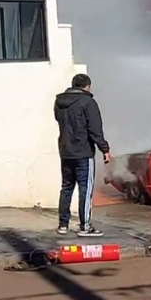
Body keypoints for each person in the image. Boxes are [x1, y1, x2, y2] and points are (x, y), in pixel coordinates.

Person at [54, 73, 111, 237]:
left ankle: (63, 224)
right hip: (83, 152)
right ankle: (85, 226)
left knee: (66, 187)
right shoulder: (88, 102)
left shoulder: (59, 102)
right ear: (87, 86)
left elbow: (60, 122)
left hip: (65, 151)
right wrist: (105, 149)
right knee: (85, 189)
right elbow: (94, 129)